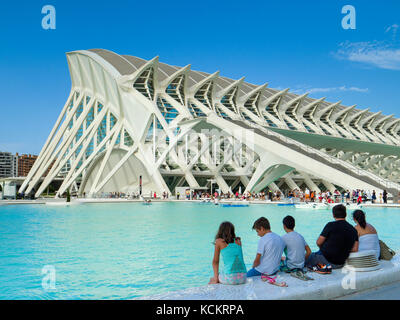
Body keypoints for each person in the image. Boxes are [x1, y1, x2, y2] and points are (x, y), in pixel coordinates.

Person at [306, 204, 359, 271]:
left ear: (333, 215)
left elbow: (318, 242)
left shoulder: (330, 225)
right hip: (340, 263)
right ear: (345, 214)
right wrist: (342, 249)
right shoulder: (353, 230)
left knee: (308, 256)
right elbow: (355, 249)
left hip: (326, 260)